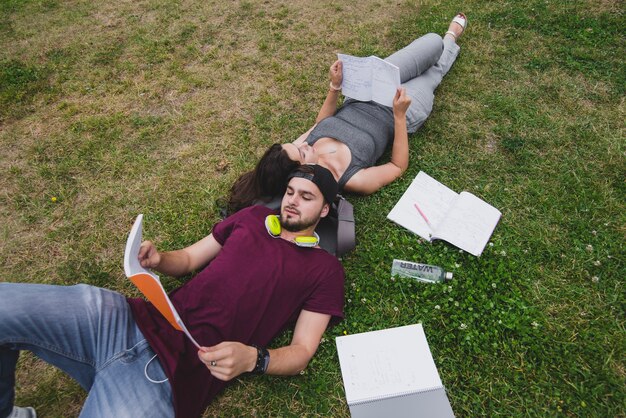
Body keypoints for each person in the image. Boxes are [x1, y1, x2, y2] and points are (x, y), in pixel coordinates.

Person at [0, 165, 344, 418]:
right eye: (289, 192)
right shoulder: (253, 217)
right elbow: (191, 257)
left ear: (325, 209)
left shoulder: (325, 269)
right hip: (123, 320)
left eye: (306, 196)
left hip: (169, 376)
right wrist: (159, 259)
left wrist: (254, 359)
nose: (292, 201)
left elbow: (302, 351)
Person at [228, 13, 467, 213]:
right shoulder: (352, 180)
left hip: (367, 91)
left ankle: (442, 42)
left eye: (296, 143)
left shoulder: (302, 148)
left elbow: (321, 124)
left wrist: (335, 86)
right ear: (300, 172)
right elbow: (397, 166)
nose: (303, 143)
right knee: (433, 72)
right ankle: (452, 36)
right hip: (401, 110)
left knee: (431, 43)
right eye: (301, 150)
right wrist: (399, 116)